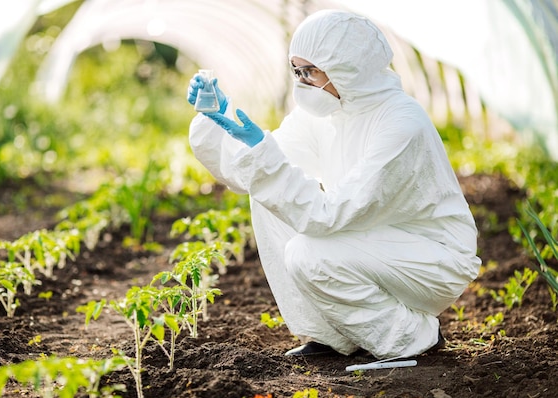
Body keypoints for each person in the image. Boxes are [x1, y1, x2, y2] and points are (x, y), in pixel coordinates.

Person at [186, 9, 481, 359]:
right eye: (296, 71)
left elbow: (328, 215)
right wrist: (220, 119)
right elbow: (256, 173)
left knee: (307, 253)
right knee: (267, 196)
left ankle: (411, 337)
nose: (300, 82)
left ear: (347, 67)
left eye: (309, 71)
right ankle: (330, 336)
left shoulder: (401, 122)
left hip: (431, 258)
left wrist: (263, 155)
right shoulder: (327, 113)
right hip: (372, 243)